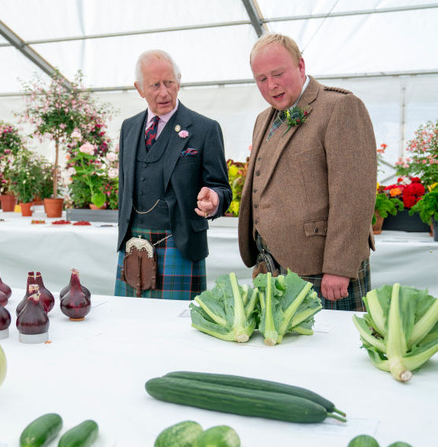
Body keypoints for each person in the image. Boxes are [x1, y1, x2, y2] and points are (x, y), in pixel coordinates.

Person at [238, 33, 377, 311]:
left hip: (323, 270)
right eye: (261, 79)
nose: (271, 85)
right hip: (273, 266)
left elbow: (353, 196)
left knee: (331, 353)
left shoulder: (340, 106)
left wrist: (339, 267)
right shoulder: (263, 119)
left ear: (301, 66)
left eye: (278, 74)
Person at [114, 49, 232, 300]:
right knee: (128, 325)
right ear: (139, 88)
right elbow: (124, 187)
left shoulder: (204, 129)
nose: (164, 92)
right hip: (133, 245)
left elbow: (221, 187)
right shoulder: (129, 128)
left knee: (178, 331)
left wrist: (215, 200)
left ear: (179, 80)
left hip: (181, 245)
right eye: (155, 85)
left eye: (169, 82)